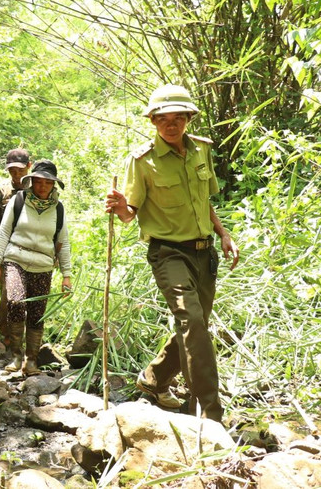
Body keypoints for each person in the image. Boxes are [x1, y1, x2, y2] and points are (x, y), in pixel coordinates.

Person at [105, 84, 239, 423]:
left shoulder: (201, 151)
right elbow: (130, 213)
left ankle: (155, 378)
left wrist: (223, 234)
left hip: (204, 253)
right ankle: (210, 414)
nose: (171, 125)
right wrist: (121, 206)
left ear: (188, 119)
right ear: (152, 121)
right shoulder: (143, 160)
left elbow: (203, 202)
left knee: (195, 325)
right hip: (168, 253)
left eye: (178, 118)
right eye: (163, 119)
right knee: (192, 322)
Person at [0, 160, 72, 376]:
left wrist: (66, 275)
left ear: (54, 185)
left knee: (37, 313)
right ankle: (16, 356)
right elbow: (4, 232)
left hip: (43, 264)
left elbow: (63, 243)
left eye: (47, 182)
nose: (42, 186)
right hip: (15, 257)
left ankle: (31, 360)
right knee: (15, 301)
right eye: (38, 181)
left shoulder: (58, 209)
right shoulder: (19, 200)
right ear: (31, 181)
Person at [0, 149, 32, 348]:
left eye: (20, 170)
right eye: (12, 170)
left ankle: (30, 338)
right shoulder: (1, 192)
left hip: (34, 251)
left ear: (29, 167)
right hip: (8, 251)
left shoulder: (38, 188)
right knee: (8, 297)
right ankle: (8, 338)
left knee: (33, 295)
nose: (16, 174)